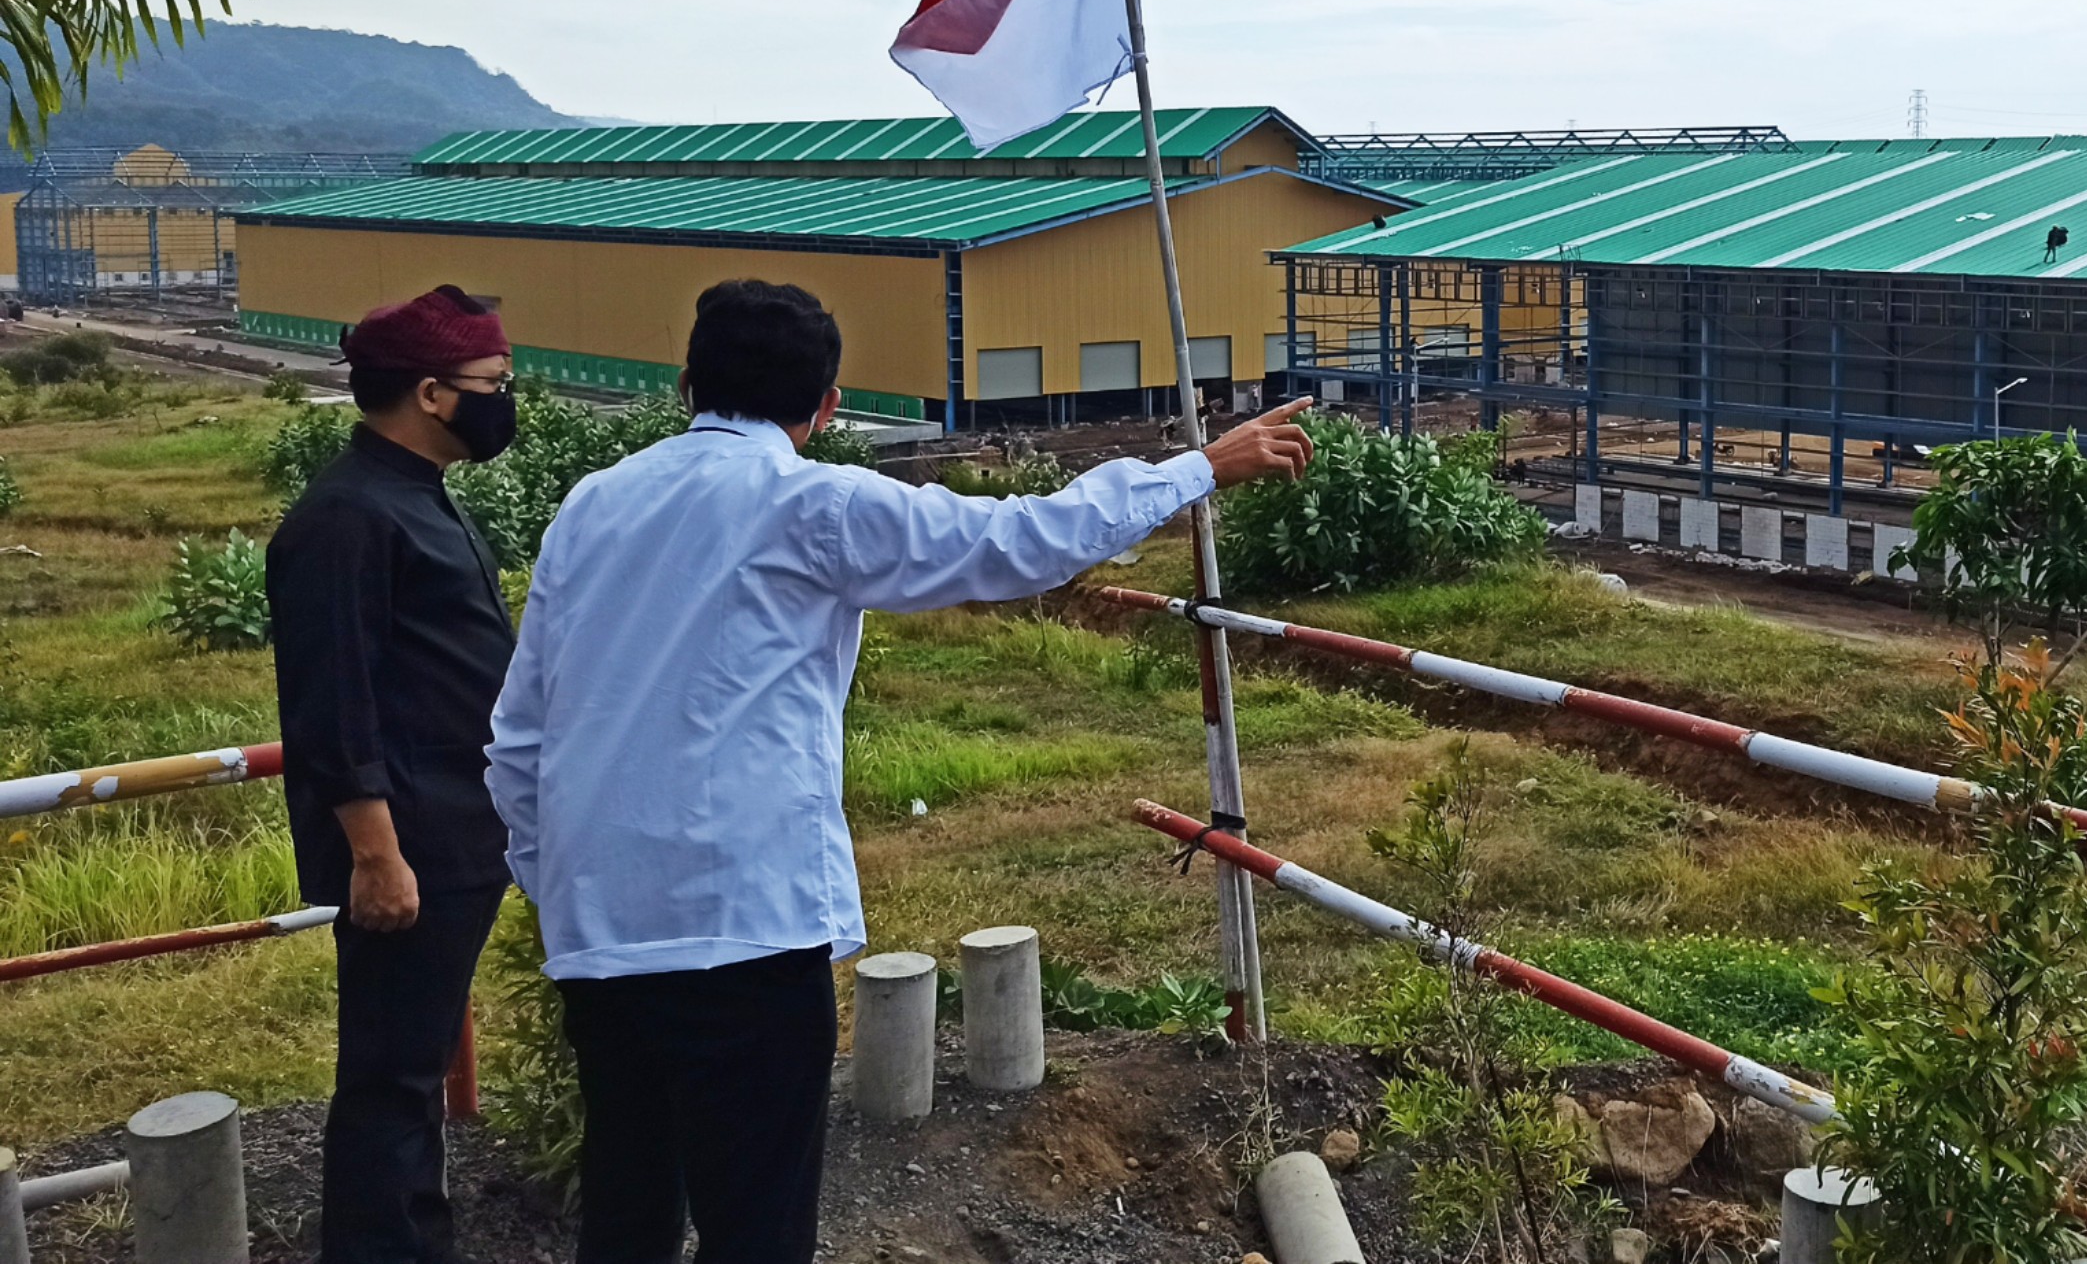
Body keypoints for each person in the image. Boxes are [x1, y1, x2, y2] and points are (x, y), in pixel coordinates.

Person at [486, 280, 1312, 1264]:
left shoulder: (591, 506)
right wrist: (1200, 468)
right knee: (754, 1227)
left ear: (684, 383)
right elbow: (1020, 540)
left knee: (625, 1218)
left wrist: (564, 883)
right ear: (826, 407)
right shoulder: (811, 502)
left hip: (604, 939)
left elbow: (518, 740)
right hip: (745, 929)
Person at [269, 285, 522, 1264]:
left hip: (454, 830)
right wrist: (375, 853)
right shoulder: (345, 520)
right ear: (429, 391)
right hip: (408, 840)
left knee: (412, 1071)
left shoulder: (412, 498)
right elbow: (335, 705)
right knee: (389, 1077)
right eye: (493, 384)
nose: (507, 399)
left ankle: (415, 1240)